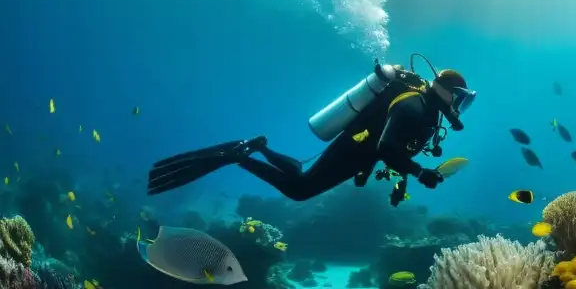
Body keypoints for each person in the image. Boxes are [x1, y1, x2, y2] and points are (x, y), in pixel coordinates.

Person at [147, 57, 475, 206]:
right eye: (459, 99)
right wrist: (419, 172)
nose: (460, 108)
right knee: (300, 191)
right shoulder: (414, 107)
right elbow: (388, 148)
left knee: (304, 175)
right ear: (444, 91)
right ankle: (240, 157)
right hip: (353, 149)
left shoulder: (428, 111)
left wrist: (370, 170)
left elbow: (388, 148)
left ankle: (259, 147)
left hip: (361, 154)